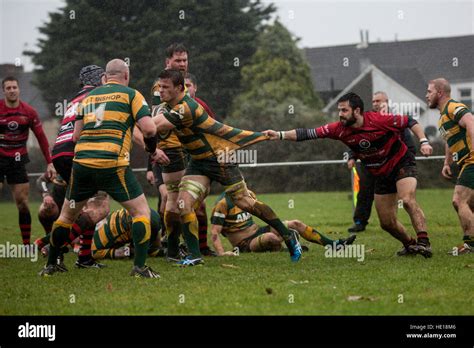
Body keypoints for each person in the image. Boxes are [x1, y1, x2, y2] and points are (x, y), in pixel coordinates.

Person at [152, 69, 302, 266]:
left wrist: (131, 120)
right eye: (159, 87)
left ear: (180, 89)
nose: (160, 91)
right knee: (184, 203)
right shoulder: (169, 106)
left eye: (165, 87)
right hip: (198, 162)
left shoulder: (186, 107)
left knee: (245, 203)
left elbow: (153, 126)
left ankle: (288, 235)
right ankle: (195, 256)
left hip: (220, 158)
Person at [264, 92, 434, 257]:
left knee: (407, 200)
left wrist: (424, 141)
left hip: (401, 163)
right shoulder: (339, 129)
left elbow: (410, 121)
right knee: (387, 223)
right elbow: (307, 133)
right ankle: (410, 245)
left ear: (357, 111)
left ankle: (424, 242)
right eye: (339, 110)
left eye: (344, 110)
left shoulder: (379, 119)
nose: (340, 115)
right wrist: (279, 135)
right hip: (381, 174)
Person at [39, 59, 161, 278]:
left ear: (106, 76)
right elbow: (150, 129)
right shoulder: (132, 95)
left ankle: (51, 265)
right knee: (141, 213)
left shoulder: (87, 99)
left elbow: (76, 136)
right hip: (113, 164)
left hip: (82, 164)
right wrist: (152, 149)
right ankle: (140, 268)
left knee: (66, 217)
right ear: (126, 76)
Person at [149, 43, 214, 258]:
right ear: (168, 62)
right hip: (168, 154)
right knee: (169, 201)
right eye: (178, 60)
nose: (183, 64)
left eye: (185, 60)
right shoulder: (161, 88)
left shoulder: (193, 98)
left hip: (190, 155)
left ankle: (200, 248)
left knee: (197, 204)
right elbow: (148, 125)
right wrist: (152, 159)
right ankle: (168, 245)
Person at [347, 91, 416, 232]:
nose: (375, 104)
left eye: (379, 101)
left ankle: (394, 222)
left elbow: (408, 142)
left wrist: (408, 160)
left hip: (392, 166)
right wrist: (351, 156)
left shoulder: (394, 119)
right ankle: (360, 222)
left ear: (387, 102)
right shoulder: (366, 119)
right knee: (364, 192)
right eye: (373, 101)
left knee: (399, 197)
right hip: (370, 164)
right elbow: (356, 138)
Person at [210, 189, 356, 255]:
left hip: (258, 230)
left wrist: (279, 227)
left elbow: (264, 214)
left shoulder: (249, 194)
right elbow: (215, 232)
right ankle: (286, 248)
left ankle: (333, 245)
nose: (243, 185)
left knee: (296, 224)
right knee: (271, 238)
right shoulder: (222, 204)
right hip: (244, 243)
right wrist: (222, 253)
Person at [0, 76, 56, 245]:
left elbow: (41, 138)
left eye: (14, 87)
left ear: (19, 89)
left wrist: (50, 161)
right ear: (3, 91)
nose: (11, 90)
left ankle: (26, 246)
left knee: (23, 203)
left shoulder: (29, 112)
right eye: (8, 88)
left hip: (18, 161)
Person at [426, 78, 474, 254]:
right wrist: (447, 162)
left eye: (429, 91)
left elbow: (471, 122)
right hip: (464, 163)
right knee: (469, 204)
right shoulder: (443, 116)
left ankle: (470, 245)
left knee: (459, 200)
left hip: (472, 162)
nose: (426, 95)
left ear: (439, 93)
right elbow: (449, 140)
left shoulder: (453, 107)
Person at [92, 208, 162, 260]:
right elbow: (94, 252)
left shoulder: (152, 216)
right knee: (131, 251)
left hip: (128, 226)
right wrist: (125, 252)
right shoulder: (110, 233)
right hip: (101, 240)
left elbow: (155, 234)